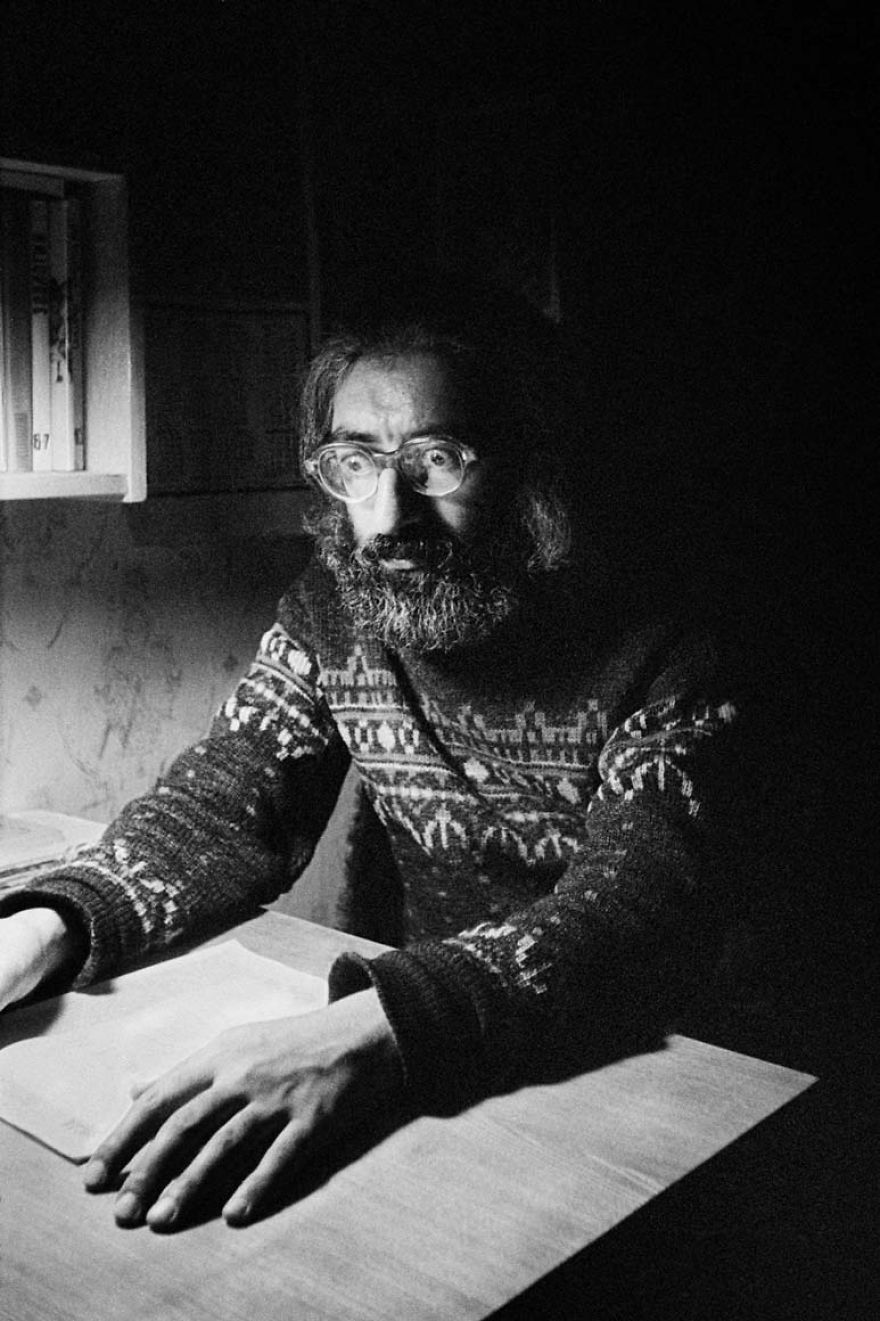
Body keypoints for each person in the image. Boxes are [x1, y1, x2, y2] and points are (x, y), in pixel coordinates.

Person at [0, 279, 752, 1232]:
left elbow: (645, 912)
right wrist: (48, 924)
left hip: (662, 1073)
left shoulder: (672, 637)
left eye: (437, 459)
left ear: (534, 465)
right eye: (354, 461)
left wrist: (373, 1029)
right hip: (435, 1056)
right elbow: (222, 806)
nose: (388, 513)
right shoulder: (334, 605)